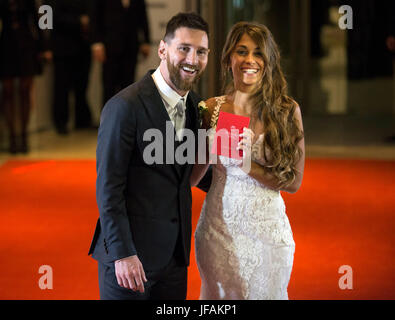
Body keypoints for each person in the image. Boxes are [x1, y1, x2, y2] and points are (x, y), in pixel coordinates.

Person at [88, 12, 211, 300]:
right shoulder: (124, 107)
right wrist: (123, 254)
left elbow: (195, 177)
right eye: (184, 48)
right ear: (162, 49)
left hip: (175, 261)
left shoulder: (197, 107)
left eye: (201, 51)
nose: (193, 59)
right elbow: (109, 189)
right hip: (129, 262)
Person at [191, 21, 305, 300]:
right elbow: (192, 177)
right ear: (229, 57)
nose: (249, 60)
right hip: (217, 231)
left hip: (267, 233)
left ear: (269, 61)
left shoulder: (287, 111)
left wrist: (248, 165)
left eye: (258, 53)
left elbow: (294, 182)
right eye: (241, 51)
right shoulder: (211, 108)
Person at [0, 0, 50, 153]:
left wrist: (44, 47)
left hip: (26, 45)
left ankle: (24, 135)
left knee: (25, 91)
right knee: (7, 92)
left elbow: (39, 20)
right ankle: (12, 136)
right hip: (5, 43)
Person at [89, 0, 151, 104]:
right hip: (109, 48)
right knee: (109, 87)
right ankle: (108, 119)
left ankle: (126, 118)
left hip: (131, 47)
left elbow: (143, 16)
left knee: (128, 87)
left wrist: (146, 40)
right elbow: (95, 17)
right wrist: (97, 43)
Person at [47, 0, 93, 135]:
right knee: (62, 87)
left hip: (83, 45)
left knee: (82, 85)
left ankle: (82, 119)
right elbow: (50, 16)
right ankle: (60, 121)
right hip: (62, 45)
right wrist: (79, 21)